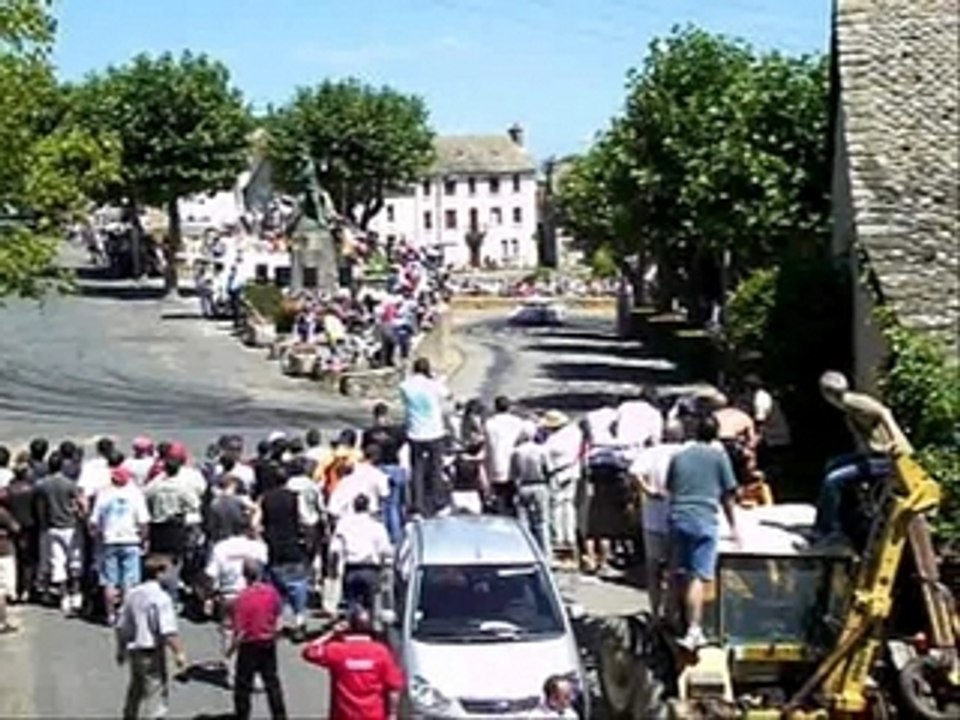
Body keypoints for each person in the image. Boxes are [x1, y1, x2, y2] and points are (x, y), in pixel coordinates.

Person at [667, 414, 740, 650]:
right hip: (703, 520)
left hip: (678, 518)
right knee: (697, 577)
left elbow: (671, 488)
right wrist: (734, 527)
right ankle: (694, 630)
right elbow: (728, 495)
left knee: (678, 571)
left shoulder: (679, 456)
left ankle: (673, 619)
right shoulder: (719, 457)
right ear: (716, 434)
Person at [814, 371, 912, 539]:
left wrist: (897, 439)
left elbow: (883, 412)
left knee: (833, 480)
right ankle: (839, 519)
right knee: (832, 464)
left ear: (826, 394)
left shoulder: (853, 401)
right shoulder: (846, 405)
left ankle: (828, 530)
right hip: (873, 455)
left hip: (887, 459)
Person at [115, 556, 187, 720]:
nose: (171, 575)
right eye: (168, 571)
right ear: (159, 573)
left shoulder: (132, 594)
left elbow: (121, 626)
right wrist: (179, 653)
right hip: (152, 650)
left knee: (136, 689)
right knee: (155, 694)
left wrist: (120, 649)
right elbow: (168, 630)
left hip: (135, 650)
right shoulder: (161, 598)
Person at [301, 605, 404, 720]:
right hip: (373, 715)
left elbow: (309, 651)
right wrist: (392, 714)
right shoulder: (380, 652)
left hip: (343, 714)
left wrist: (331, 633)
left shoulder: (337, 650)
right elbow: (393, 687)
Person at [628, 420, 685, 618]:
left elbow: (634, 472)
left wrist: (648, 490)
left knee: (653, 568)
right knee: (674, 569)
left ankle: (654, 610)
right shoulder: (684, 453)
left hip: (653, 517)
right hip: (678, 516)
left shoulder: (651, 452)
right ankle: (671, 611)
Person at [204, 519, 269, 674]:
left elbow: (211, 574)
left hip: (229, 594)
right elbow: (265, 563)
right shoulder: (257, 547)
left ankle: (232, 671)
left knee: (229, 631)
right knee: (254, 633)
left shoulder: (220, 548)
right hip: (253, 595)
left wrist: (209, 596)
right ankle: (253, 672)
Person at [91, 459, 150, 625]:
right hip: (130, 539)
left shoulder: (103, 494)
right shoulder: (135, 494)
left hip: (109, 540)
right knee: (129, 581)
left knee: (110, 581)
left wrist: (96, 537)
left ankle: (110, 614)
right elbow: (143, 521)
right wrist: (144, 539)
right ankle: (125, 613)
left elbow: (94, 521)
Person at [229, 559, 288, 720]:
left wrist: (231, 650)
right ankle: (279, 715)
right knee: (272, 681)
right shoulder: (271, 592)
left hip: (249, 644)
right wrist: (275, 634)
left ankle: (242, 715)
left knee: (243, 684)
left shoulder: (241, 598)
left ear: (244, 575)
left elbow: (239, 631)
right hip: (268, 642)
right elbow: (279, 617)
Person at [259, 468, 311, 640]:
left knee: (275, 587)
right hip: (292, 544)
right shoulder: (295, 497)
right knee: (297, 585)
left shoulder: (265, 498)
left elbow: (256, 522)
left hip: (273, 545)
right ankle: (299, 620)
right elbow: (306, 519)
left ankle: (278, 623)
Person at [399, 357, 450, 517]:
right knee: (436, 468)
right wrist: (436, 379)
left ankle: (417, 506)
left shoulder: (405, 386)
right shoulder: (433, 385)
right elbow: (447, 395)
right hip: (434, 432)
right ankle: (438, 503)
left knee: (417, 470)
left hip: (415, 432)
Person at [35, 451, 84, 615]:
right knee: (75, 561)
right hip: (71, 526)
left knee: (57, 563)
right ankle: (76, 594)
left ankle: (63, 596)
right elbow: (81, 503)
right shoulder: (70, 484)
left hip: (52, 527)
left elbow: (40, 508)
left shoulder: (42, 485)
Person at [329, 494, 393, 613]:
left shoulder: (343, 525)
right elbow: (385, 550)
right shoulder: (377, 526)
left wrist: (333, 570)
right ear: (368, 507)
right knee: (373, 607)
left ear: (354, 507)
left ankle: (354, 624)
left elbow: (335, 549)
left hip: (351, 569)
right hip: (370, 569)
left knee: (352, 606)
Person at [541, 411, 583, 569]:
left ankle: (559, 539)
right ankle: (570, 536)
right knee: (569, 506)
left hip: (558, 473)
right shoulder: (575, 433)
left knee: (557, 507)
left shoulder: (553, 440)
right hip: (572, 471)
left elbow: (545, 457)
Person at [362, 403, 407, 545]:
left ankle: (383, 538)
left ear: (374, 416)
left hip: (378, 470)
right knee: (395, 505)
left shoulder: (369, 433)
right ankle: (397, 538)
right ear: (387, 415)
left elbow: (365, 450)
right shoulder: (397, 431)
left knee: (381, 506)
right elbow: (403, 443)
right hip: (394, 468)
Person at [484, 396, 535, 516]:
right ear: (509, 407)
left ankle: (502, 516)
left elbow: (487, 444)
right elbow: (530, 431)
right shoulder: (516, 422)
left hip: (496, 464)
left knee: (499, 495)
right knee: (513, 496)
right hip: (514, 462)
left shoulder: (489, 423)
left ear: (495, 407)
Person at [512, 430, 550, 557]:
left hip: (523, 486)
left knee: (523, 521)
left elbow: (514, 473)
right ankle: (545, 553)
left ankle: (525, 552)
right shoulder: (541, 450)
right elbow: (548, 469)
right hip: (540, 485)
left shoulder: (516, 451)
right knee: (542, 522)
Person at [328, 444, 390, 522]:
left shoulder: (351, 469)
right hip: (369, 515)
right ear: (377, 457)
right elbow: (385, 494)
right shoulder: (378, 475)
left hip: (346, 515)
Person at [0, 498, 20, 633]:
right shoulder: (2, 513)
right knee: (2, 590)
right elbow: (16, 527)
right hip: (3, 552)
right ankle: (1, 621)